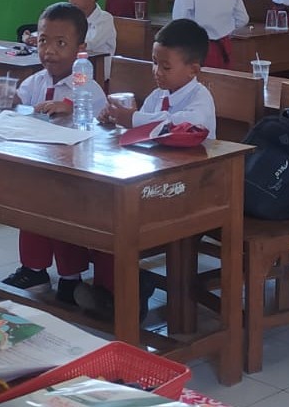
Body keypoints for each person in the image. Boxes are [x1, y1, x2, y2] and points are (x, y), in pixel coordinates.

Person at [78, 19, 217, 321]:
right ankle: (110, 288)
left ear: (193, 69)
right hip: (157, 182)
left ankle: (127, 291)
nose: (157, 72)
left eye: (165, 67)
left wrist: (132, 119)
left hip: (190, 189)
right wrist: (113, 119)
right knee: (102, 207)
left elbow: (177, 127)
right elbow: (141, 132)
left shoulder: (200, 99)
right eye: (154, 63)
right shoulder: (156, 96)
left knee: (119, 216)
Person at [2, 3, 107, 302]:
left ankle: (71, 278)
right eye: (43, 41)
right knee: (31, 209)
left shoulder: (87, 86)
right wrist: (9, 101)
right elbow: (18, 109)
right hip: (39, 171)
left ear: (81, 49)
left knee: (64, 217)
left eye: (61, 43)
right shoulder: (34, 82)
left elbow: (101, 122)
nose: (49, 50)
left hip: (78, 177)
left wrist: (69, 107)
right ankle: (33, 269)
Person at [25, 0, 117, 81]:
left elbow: (88, 44)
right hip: (70, 75)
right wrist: (36, 38)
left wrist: (51, 41)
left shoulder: (105, 20)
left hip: (96, 78)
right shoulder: (70, 18)